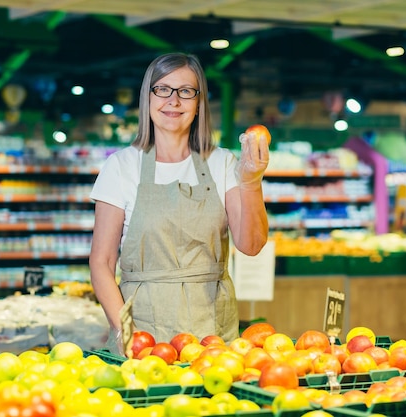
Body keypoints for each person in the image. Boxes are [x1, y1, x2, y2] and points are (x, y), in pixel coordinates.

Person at [89, 52, 270, 355]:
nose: (173, 101)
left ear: (199, 104)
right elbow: (101, 263)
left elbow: (251, 245)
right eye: (162, 89)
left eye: (186, 92)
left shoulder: (223, 163)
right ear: (147, 98)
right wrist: (125, 331)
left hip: (213, 336)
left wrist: (251, 181)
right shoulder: (121, 166)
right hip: (144, 335)